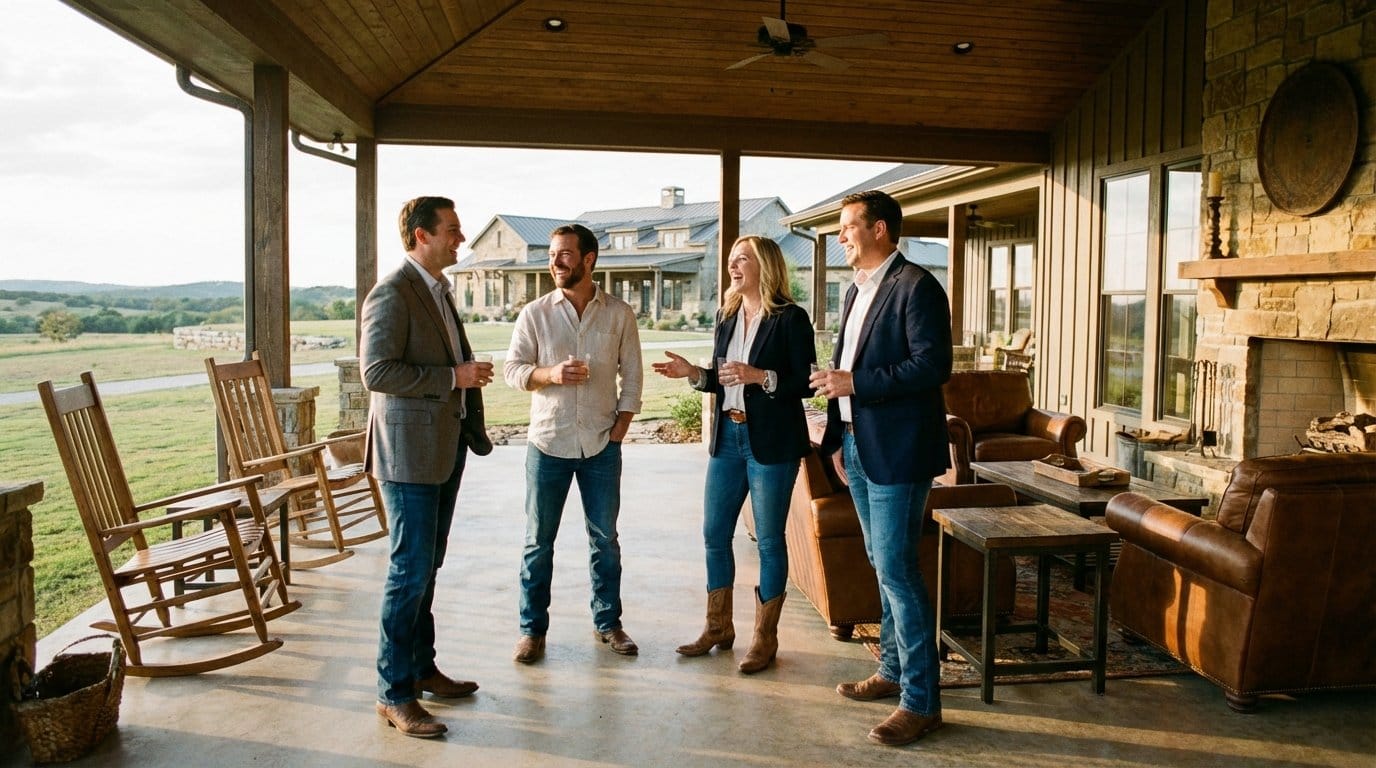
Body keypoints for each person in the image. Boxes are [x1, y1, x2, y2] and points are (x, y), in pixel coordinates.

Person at [809, 190, 953, 747]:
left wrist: (856, 384)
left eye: (849, 226)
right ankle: (892, 670)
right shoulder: (856, 289)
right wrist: (837, 437)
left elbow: (932, 365)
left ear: (881, 230)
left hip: (900, 450)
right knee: (882, 563)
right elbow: (844, 367)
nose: (841, 235)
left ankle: (921, 702)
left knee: (897, 569)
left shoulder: (917, 286)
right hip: (857, 444)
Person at [362, 195, 494, 739]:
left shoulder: (438, 290)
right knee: (409, 571)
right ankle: (394, 693)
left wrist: (462, 376)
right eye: (453, 230)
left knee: (426, 567)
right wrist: (453, 378)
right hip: (408, 456)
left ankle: (421, 667)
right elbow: (376, 371)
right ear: (422, 235)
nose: (460, 239)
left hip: (443, 448)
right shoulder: (392, 292)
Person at [652, 235, 814, 674]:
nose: (733, 266)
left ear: (765, 266)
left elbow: (804, 382)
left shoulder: (791, 318)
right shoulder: (727, 317)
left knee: (769, 539)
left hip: (772, 444)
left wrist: (761, 376)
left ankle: (765, 639)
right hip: (728, 438)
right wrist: (693, 373)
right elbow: (723, 380)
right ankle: (718, 627)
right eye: (731, 260)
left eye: (742, 259)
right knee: (714, 533)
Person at [504, 223, 643, 663]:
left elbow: (632, 375)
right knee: (537, 542)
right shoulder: (535, 314)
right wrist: (550, 374)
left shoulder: (619, 314)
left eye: (564, 254)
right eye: (552, 255)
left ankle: (609, 623)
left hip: (601, 446)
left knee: (605, 540)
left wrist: (620, 428)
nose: (555, 262)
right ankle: (531, 631)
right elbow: (513, 370)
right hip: (548, 444)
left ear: (588, 259)